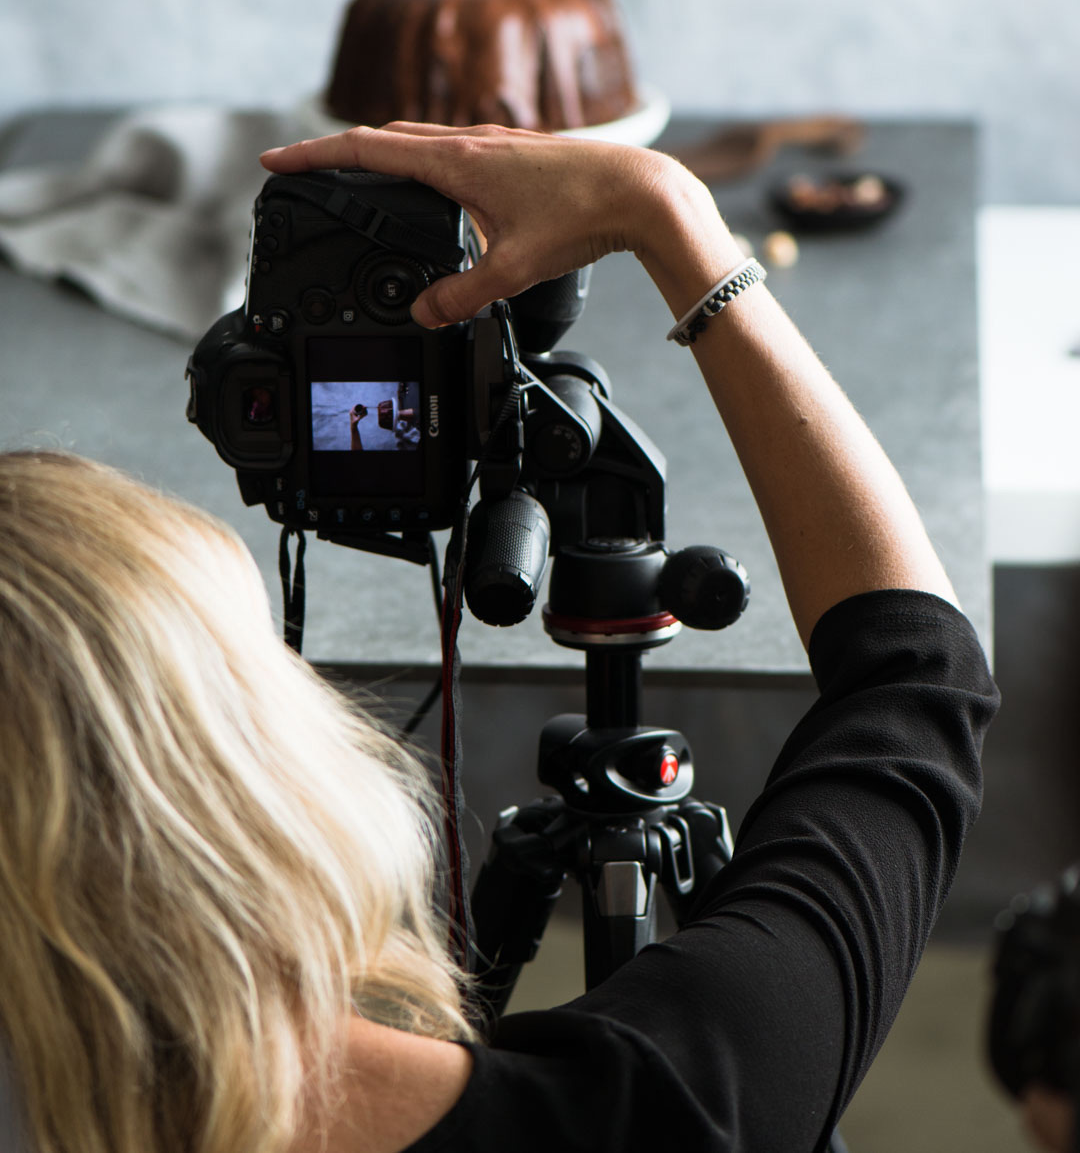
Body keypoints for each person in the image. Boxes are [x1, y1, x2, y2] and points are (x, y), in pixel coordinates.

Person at [0, 120, 998, 1153]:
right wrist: (670, 218)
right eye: (254, 658)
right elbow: (919, 681)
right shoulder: (662, 1108)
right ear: (223, 803)